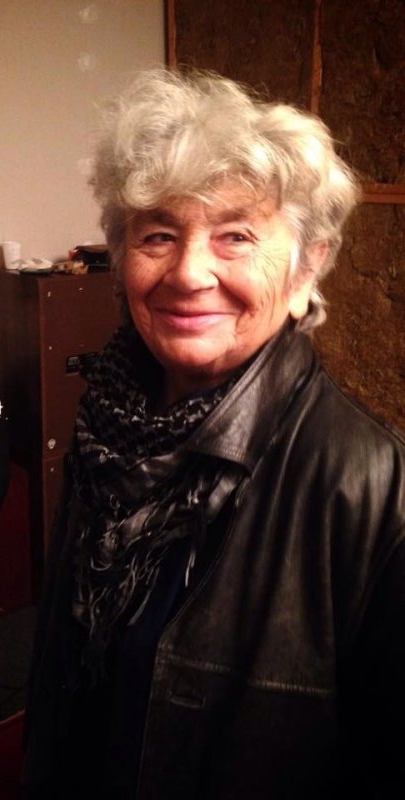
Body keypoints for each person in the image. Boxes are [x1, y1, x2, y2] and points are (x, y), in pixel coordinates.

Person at [22, 69, 405, 799]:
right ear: (122, 257)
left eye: (236, 235)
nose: (189, 272)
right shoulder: (106, 425)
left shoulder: (372, 486)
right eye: (159, 234)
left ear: (306, 268)